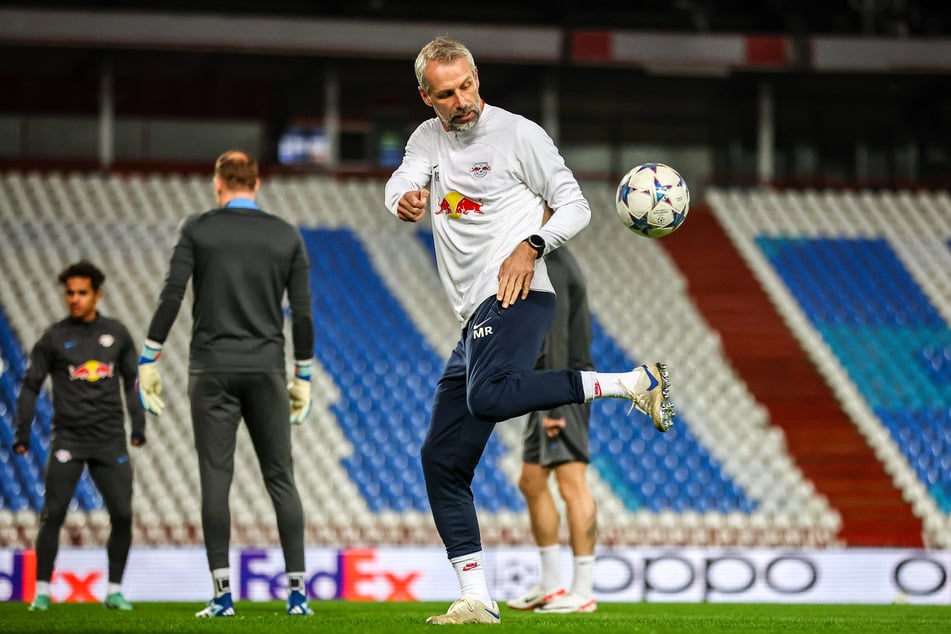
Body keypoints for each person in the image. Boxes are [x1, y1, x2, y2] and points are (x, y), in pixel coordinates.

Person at [384, 36, 673, 625]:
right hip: (474, 317)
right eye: (447, 94)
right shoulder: (427, 139)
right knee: (440, 457)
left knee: (488, 396)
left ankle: (632, 383)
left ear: (476, 76)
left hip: (520, 295)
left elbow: (577, 205)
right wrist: (403, 198)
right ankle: (477, 596)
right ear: (427, 96)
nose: (462, 100)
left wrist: (531, 244)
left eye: (467, 86)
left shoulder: (520, 134)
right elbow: (403, 178)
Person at [136, 150, 315, 618]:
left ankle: (221, 596)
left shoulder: (198, 228)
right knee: (281, 478)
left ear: (218, 184)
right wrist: (305, 375)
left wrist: (149, 357)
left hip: (211, 369)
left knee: (216, 479)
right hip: (267, 369)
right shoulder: (285, 235)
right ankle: (297, 595)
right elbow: (303, 312)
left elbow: (172, 294)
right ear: (257, 184)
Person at [13, 260, 145, 612]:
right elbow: (30, 385)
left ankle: (114, 590)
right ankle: (42, 591)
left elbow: (132, 383)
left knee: (122, 515)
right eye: (69, 292)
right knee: (52, 515)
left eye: (81, 292)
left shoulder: (116, 334)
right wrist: (22, 431)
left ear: (97, 294)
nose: (74, 298)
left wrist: (139, 426)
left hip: (109, 441)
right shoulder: (54, 337)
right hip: (68, 440)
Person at [506, 245, 599, 614]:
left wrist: (556, 406)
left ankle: (583, 590)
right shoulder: (553, 260)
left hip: (562, 390)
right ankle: (550, 583)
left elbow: (556, 343)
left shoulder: (552, 267)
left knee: (571, 483)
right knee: (530, 481)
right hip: (544, 388)